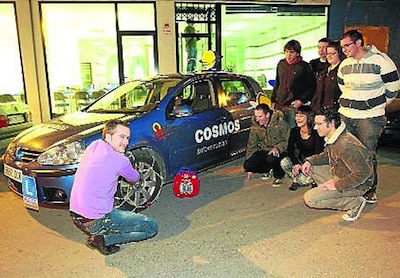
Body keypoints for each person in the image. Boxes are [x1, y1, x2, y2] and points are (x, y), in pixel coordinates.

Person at [69, 120, 158, 255]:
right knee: (151, 227)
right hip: (96, 220)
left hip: (77, 214)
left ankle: (101, 232)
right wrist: (131, 167)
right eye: (121, 137)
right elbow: (135, 178)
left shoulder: (94, 145)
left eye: (127, 138)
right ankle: (103, 239)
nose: (126, 142)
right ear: (108, 136)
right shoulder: (120, 160)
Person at [337, 29, 400, 203]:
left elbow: (393, 89)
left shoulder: (381, 61)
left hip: (370, 117)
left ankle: (369, 190)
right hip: (346, 115)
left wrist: (374, 104)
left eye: (347, 45)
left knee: (367, 154)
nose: (344, 50)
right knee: (346, 152)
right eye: (342, 47)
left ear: (358, 43)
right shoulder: (345, 65)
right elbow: (343, 86)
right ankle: (350, 185)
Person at [302, 107, 374, 222]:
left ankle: (355, 203)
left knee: (310, 199)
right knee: (312, 167)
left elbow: (363, 173)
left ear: (332, 123)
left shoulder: (346, 145)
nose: (315, 128)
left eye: (319, 124)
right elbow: (327, 156)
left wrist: (336, 185)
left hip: (359, 184)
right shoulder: (334, 137)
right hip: (342, 173)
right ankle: (332, 191)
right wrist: (309, 161)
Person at [271, 39, 316, 127]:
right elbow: (277, 82)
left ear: (297, 53)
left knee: (292, 132)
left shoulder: (304, 66)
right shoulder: (281, 64)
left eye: (292, 52)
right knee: (277, 131)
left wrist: (301, 100)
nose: (288, 55)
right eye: (286, 52)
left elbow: (311, 86)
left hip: (293, 107)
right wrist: (272, 100)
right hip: (278, 105)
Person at [244, 103, 291, 186]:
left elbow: (289, 140)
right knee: (247, 164)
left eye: (260, 116)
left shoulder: (281, 124)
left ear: (267, 115)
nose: (257, 119)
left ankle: (279, 175)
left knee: (272, 158)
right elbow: (251, 145)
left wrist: (278, 148)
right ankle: (268, 169)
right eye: (256, 116)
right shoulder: (255, 127)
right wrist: (249, 168)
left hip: (281, 150)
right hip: (265, 150)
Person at [280, 106, 324, 191]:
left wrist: (308, 163)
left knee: (303, 180)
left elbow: (318, 152)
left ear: (309, 117)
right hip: (301, 160)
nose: (298, 118)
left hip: (314, 162)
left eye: (301, 116)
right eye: (297, 115)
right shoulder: (294, 131)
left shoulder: (316, 132)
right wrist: (296, 164)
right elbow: (290, 150)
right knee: (284, 162)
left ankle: (314, 180)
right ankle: (295, 180)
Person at [311, 41, 345, 112]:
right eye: (327, 54)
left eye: (332, 53)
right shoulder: (323, 71)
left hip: (335, 111)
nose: (329, 56)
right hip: (319, 110)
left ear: (339, 53)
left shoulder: (342, 71)